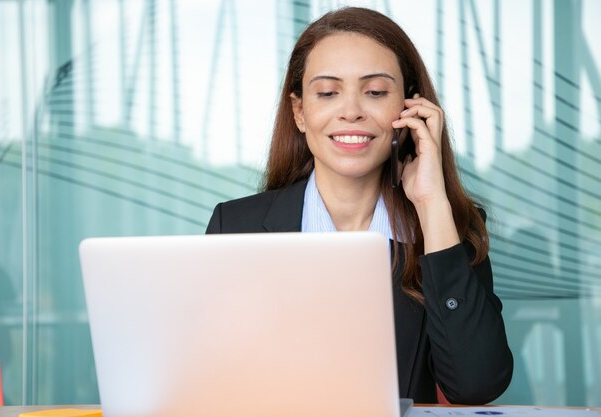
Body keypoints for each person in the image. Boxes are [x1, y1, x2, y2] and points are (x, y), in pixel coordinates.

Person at [206, 6, 513, 404]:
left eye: (376, 92)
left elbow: (477, 384)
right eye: (328, 92)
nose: (351, 110)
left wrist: (431, 203)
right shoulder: (235, 226)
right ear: (300, 112)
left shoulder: (445, 229)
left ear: (409, 108)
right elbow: (211, 379)